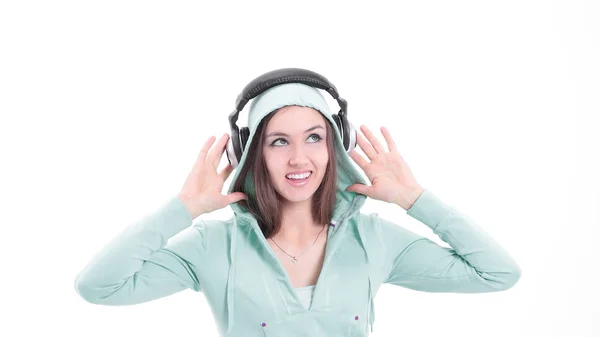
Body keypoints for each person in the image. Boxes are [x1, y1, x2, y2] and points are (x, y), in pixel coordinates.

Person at [74, 80, 521, 337]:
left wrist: (415, 200)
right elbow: (98, 287)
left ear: (334, 147)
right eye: (278, 142)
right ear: (253, 153)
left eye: (313, 137)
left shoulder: (376, 239)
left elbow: (498, 274)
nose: (299, 159)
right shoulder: (213, 246)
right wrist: (182, 210)